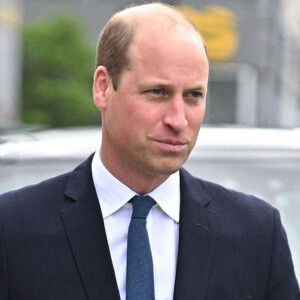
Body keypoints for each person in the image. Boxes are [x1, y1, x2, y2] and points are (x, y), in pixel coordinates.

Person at [0, 2, 299, 300]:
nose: (178, 119)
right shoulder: (12, 229)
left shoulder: (257, 235)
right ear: (103, 88)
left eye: (194, 95)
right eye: (158, 92)